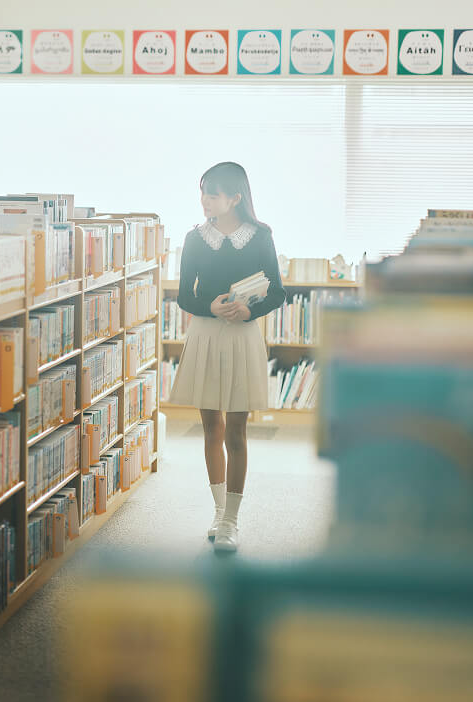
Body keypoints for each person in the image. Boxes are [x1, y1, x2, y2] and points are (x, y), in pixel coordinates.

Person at [169, 162, 286, 552]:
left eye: (213, 194)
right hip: (205, 334)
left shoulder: (261, 236)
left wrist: (248, 311)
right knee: (210, 429)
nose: (205, 200)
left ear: (236, 197)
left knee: (236, 431)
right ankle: (219, 513)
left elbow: (277, 292)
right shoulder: (195, 238)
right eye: (203, 192)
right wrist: (211, 307)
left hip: (242, 336)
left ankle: (232, 521)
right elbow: (186, 295)